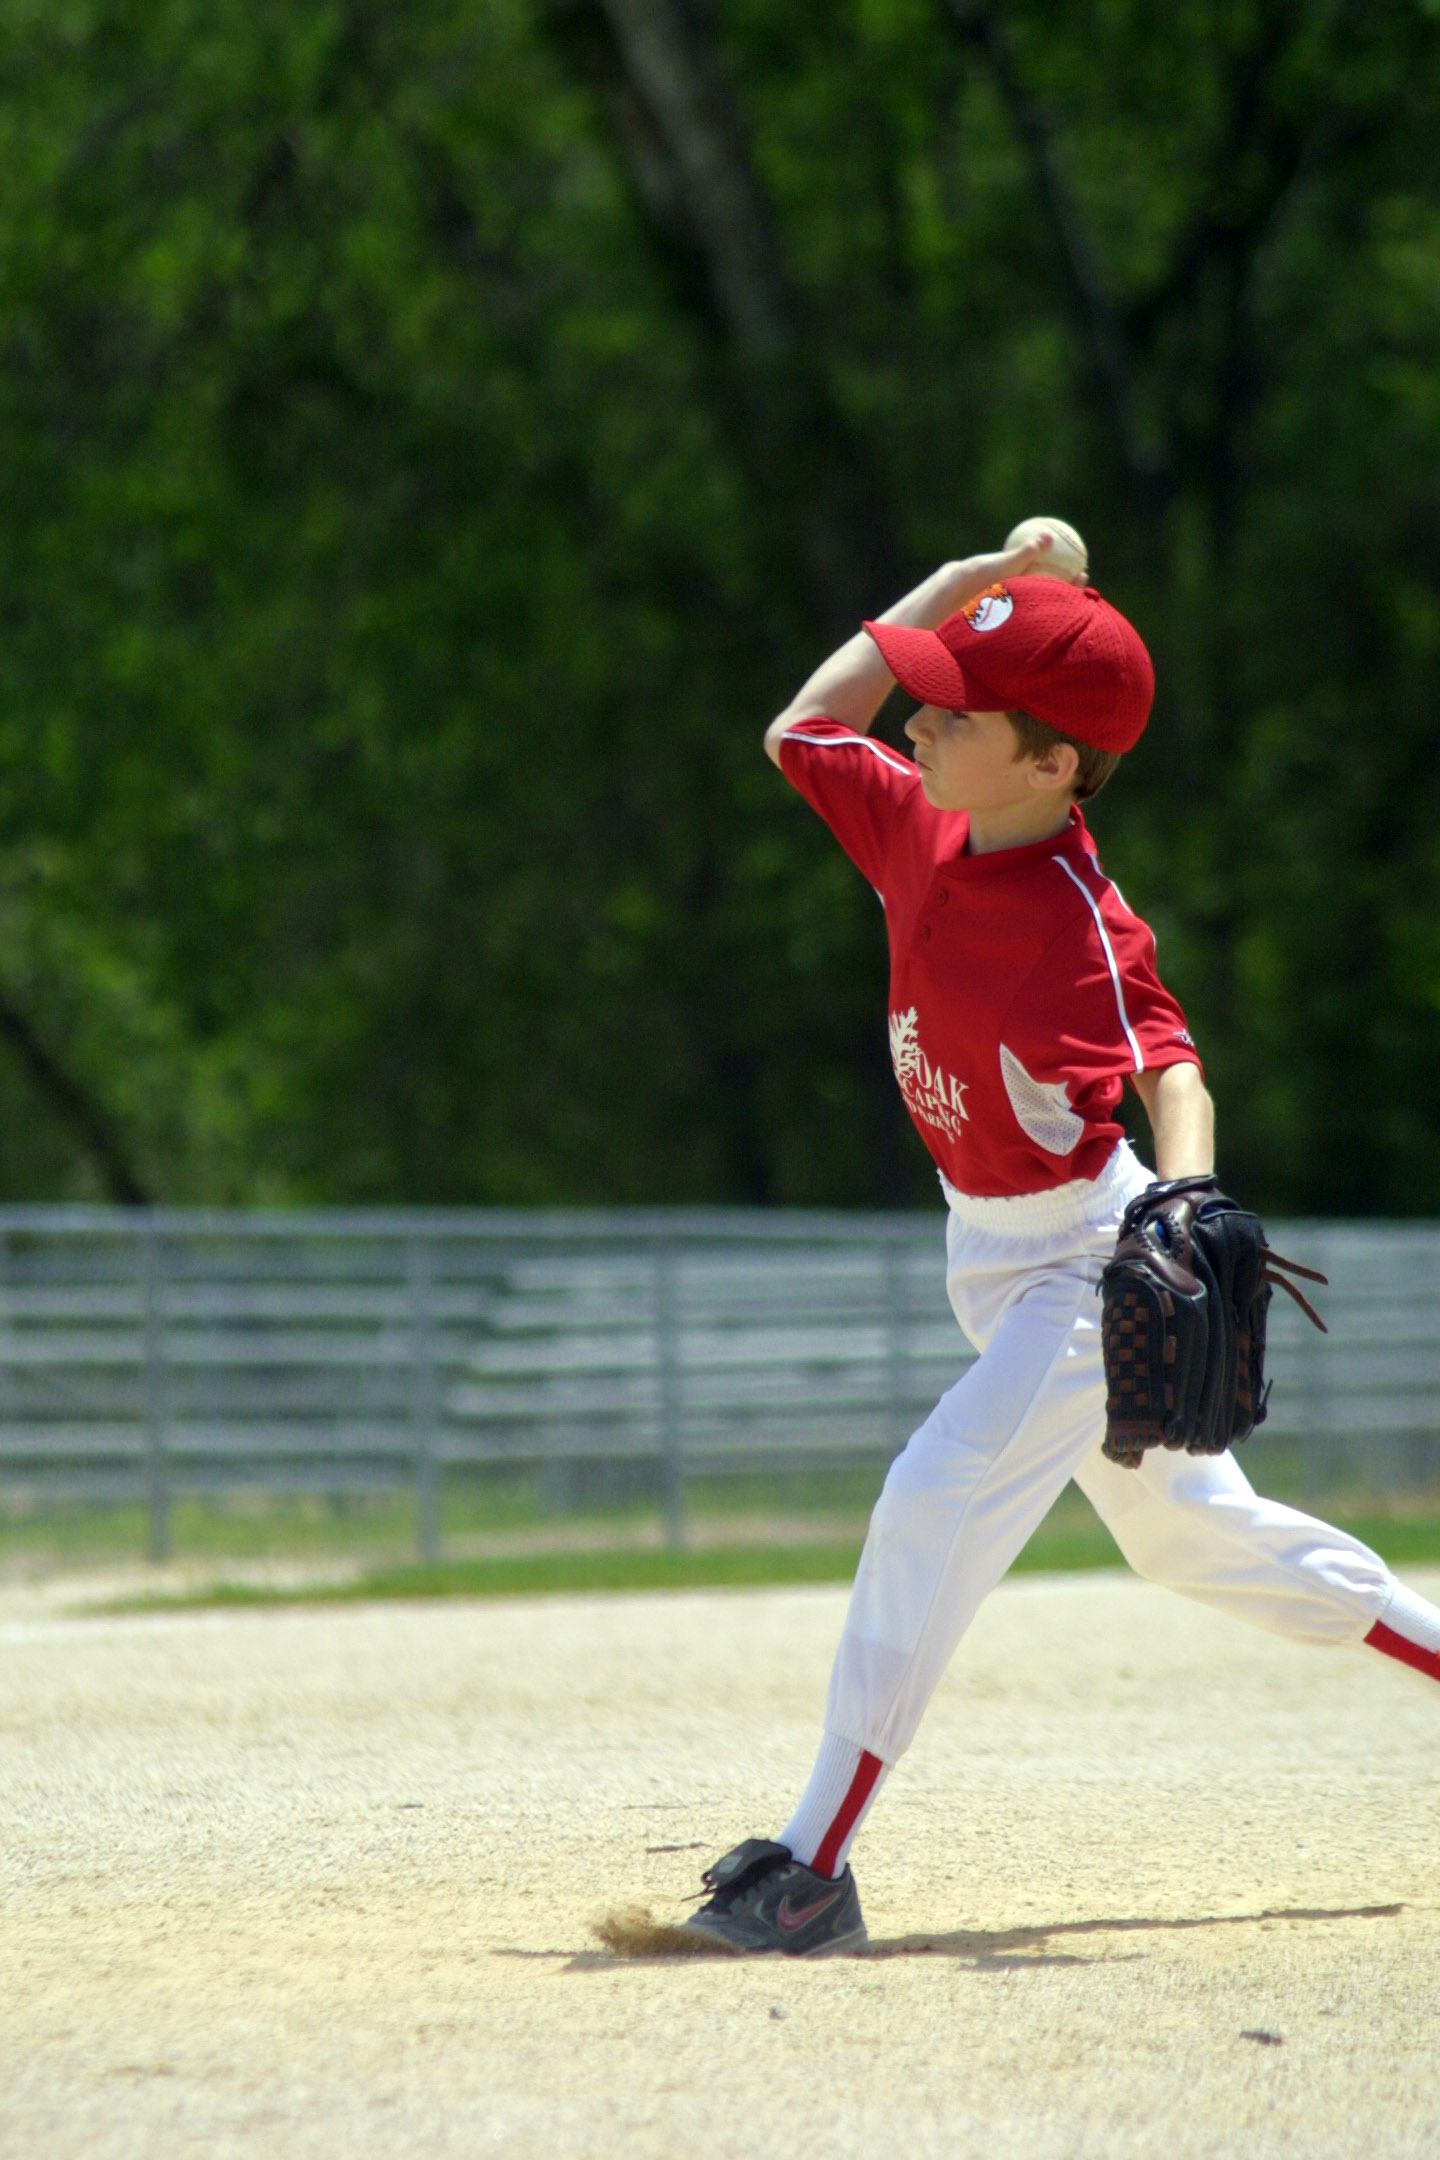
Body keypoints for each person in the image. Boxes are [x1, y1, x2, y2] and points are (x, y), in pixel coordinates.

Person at [682, 527, 1440, 1957]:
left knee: (934, 1498)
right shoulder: (919, 822)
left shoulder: (1078, 919)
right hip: (989, 1249)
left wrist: (1186, 1202)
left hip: (1089, 1264)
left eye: (957, 707)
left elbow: (1173, 1069)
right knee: (1198, 1541)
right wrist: (969, 580)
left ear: (1052, 763)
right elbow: (804, 726)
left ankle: (810, 1867)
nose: (919, 719)